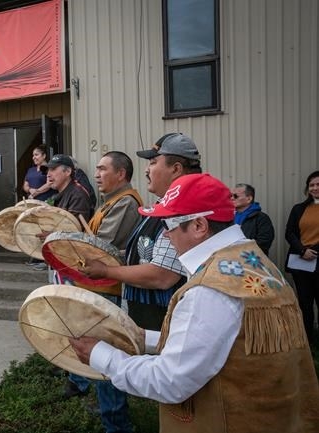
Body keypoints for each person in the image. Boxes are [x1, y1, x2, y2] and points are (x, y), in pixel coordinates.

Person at [71, 173, 319, 433]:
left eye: (168, 225)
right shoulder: (259, 265)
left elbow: (169, 382)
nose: (165, 236)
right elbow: (222, 341)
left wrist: (100, 355)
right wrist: (142, 337)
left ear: (199, 226)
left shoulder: (209, 290)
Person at [81, 133, 202, 331]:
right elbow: (145, 252)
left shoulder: (183, 208)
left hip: (164, 321)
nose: (146, 170)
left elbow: (162, 276)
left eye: (153, 162)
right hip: (148, 316)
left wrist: (105, 271)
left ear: (176, 169)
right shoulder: (165, 204)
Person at [64, 151, 143, 433]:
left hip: (106, 288)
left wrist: (67, 240)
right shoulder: (111, 202)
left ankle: (117, 424)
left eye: (102, 169)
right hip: (95, 285)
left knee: (105, 353)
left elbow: (100, 247)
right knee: (96, 352)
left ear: (121, 174)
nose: (96, 174)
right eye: (96, 169)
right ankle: (108, 407)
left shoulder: (126, 203)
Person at [285, 170, 319, 342]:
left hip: (317, 260)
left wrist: (314, 251)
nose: (314, 188)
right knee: (305, 303)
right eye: (311, 185)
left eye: (318, 184)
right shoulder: (299, 208)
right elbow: (289, 233)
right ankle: (307, 341)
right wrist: (302, 250)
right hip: (301, 262)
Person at [232, 183, 275, 255]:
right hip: (230, 260)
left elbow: (264, 243)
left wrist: (238, 249)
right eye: (231, 196)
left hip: (251, 260)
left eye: (236, 196)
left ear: (249, 199)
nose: (232, 198)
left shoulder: (261, 218)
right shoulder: (229, 217)